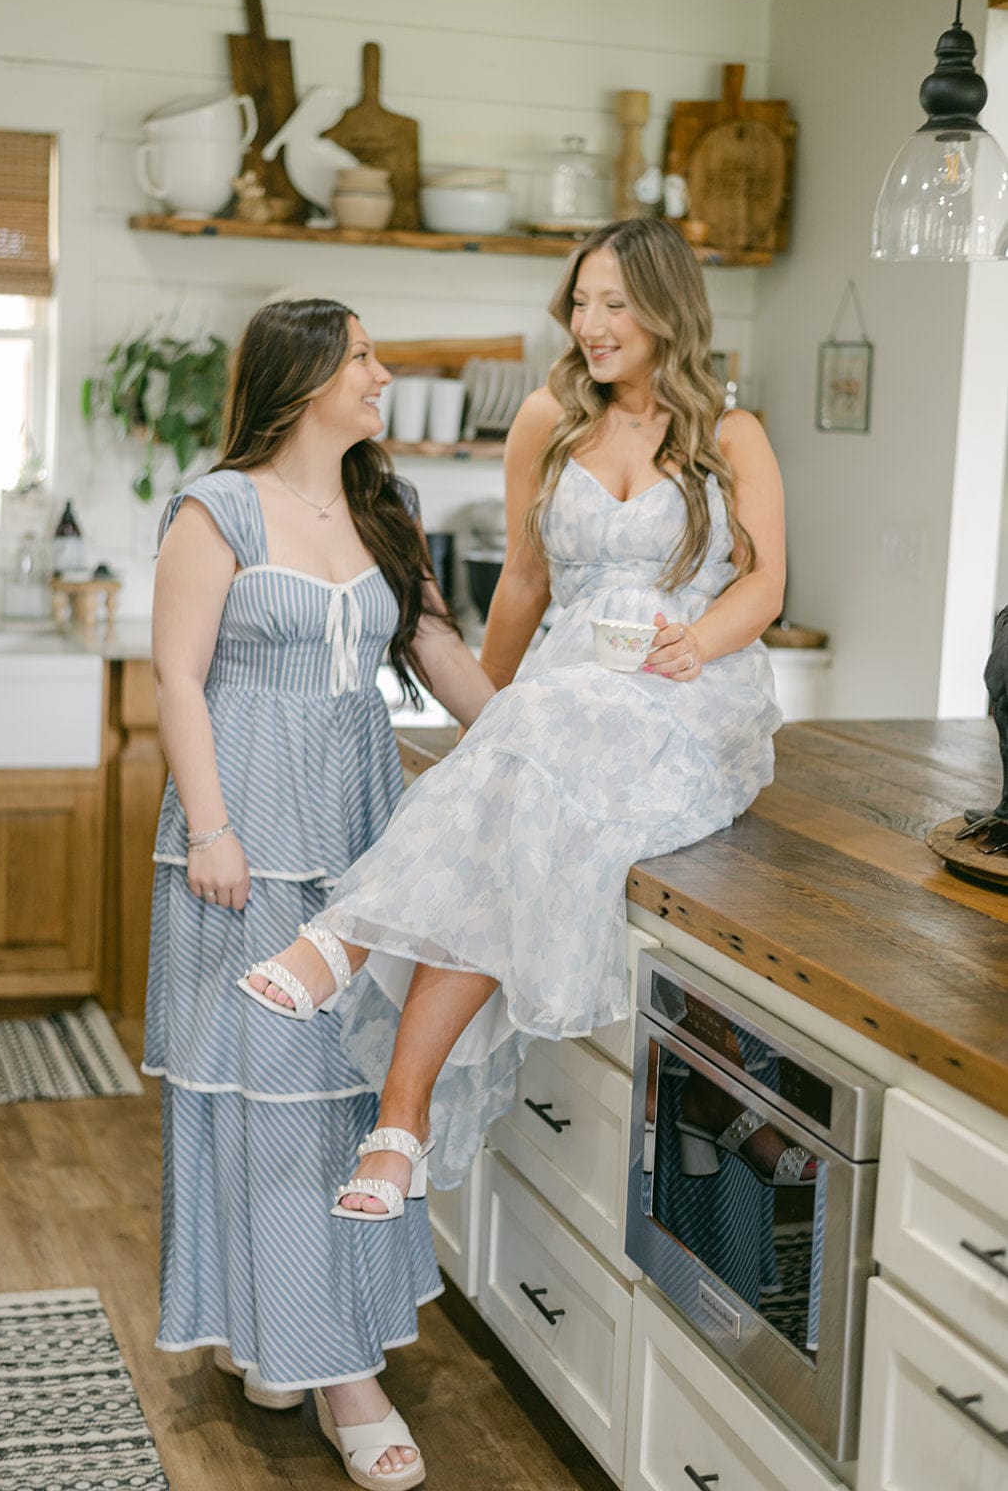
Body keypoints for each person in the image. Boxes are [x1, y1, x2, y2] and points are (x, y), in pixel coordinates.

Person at [239, 217, 786, 1216]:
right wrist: (484, 732)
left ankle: (348, 954)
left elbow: (765, 584)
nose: (591, 324)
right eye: (580, 302)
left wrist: (698, 643)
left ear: (669, 310)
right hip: (566, 694)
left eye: (615, 304)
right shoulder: (548, 418)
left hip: (690, 697)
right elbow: (526, 582)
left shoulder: (732, 434)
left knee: (520, 765)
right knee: (498, 814)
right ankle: (400, 1128)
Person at [143, 297, 496, 1485]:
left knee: (347, 1096)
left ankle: (290, 1334)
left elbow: (439, 654)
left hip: (360, 838)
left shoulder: (385, 507)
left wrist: (531, 747)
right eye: (362, 359)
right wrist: (211, 829)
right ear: (301, 381)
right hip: (242, 839)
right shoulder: (219, 508)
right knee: (266, 1096)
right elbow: (179, 680)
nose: (383, 374)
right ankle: (342, 1372)